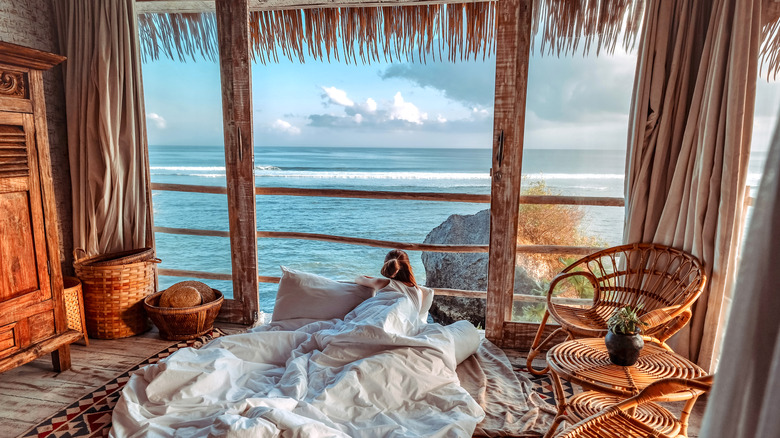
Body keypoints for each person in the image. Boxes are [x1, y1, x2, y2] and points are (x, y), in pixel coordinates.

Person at [356, 249, 434, 323]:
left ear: (386, 264)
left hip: (388, 320)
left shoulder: (382, 282)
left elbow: (358, 278)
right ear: (408, 266)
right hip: (409, 325)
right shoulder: (418, 290)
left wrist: (374, 279)